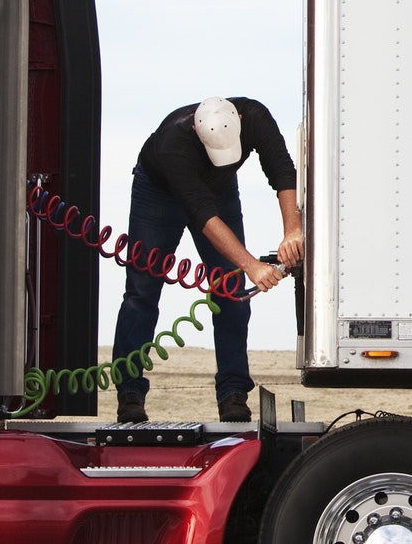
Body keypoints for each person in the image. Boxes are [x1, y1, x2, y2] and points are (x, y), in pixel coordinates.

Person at [112, 97, 301, 424]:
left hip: (221, 191)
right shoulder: (174, 145)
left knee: (231, 293)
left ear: (239, 122)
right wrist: (252, 265)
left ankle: (233, 394)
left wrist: (292, 232)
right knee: (141, 292)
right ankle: (129, 392)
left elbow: (282, 171)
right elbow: (202, 213)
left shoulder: (255, 116)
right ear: (199, 135)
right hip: (158, 193)